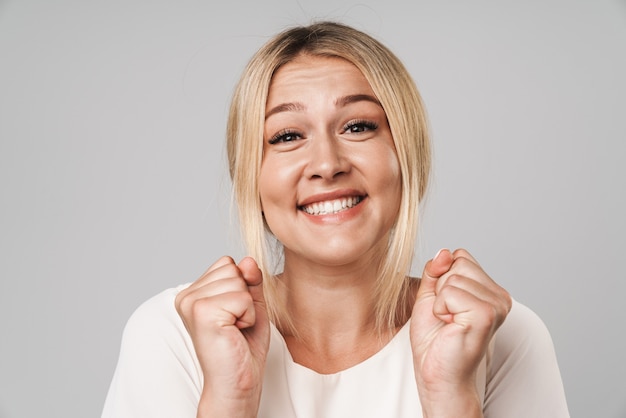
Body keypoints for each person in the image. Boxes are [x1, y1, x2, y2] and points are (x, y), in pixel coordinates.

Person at [102, 21, 570, 417]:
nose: (327, 163)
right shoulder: (174, 333)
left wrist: (451, 401)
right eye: (286, 136)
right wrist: (228, 400)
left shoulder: (501, 333)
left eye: (358, 126)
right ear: (251, 177)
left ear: (406, 154)